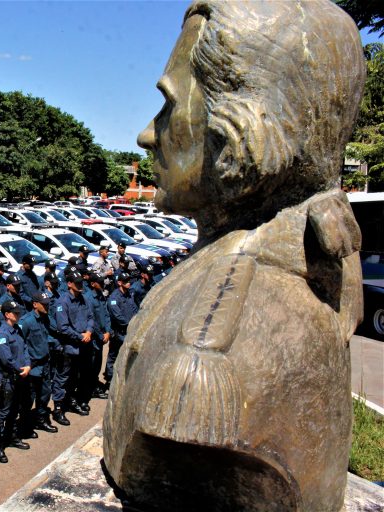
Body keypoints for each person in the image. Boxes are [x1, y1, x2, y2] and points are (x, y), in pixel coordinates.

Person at [102, 2, 365, 507]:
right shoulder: (294, 268)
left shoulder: (206, 357)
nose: (147, 134)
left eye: (169, 105)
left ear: (240, 133)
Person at [0, 300, 32, 463]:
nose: (18, 314)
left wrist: (28, 365)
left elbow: (25, 348)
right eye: (15, 313)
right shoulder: (2, 334)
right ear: (7, 314)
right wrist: (21, 369)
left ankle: (12, 437)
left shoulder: (17, 330)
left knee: (15, 410)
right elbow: (6, 359)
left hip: (20, 376)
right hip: (7, 379)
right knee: (3, 412)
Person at [51, 271, 94, 424]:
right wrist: (81, 336)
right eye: (77, 283)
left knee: (75, 377)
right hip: (69, 347)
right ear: (69, 284)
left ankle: (69, 401)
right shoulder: (62, 302)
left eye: (81, 282)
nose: (80, 285)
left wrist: (89, 331)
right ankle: (57, 409)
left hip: (83, 346)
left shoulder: (84, 298)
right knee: (62, 378)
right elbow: (63, 327)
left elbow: (91, 317)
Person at [18, 291, 59, 435]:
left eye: (48, 304)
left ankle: (40, 420)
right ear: (35, 304)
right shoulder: (26, 321)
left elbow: (49, 334)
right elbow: (20, 343)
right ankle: (24, 425)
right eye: (44, 304)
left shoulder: (46, 318)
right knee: (28, 398)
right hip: (32, 365)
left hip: (45, 362)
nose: (47, 306)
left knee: (44, 394)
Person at [103, 272, 138, 391]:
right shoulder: (114, 298)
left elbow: (134, 309)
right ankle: (109, 379)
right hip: (119, 332)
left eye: (129, 281)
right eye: (126, 281)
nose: (129, 283)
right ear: (119, 283)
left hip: (129, 330)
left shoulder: (129, 294)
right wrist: (130, 323)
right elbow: (117, 316)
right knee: (113, 356)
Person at [84, 273, 110, 402]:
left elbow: (106, 314)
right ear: (93, 284)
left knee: (98, 363)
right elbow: (91, 319)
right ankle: (90, 389)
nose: (102, 284)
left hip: (102, 336)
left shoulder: (101, 295)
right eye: (99, 282)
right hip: (94, 337)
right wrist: (101, 335)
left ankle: (94, 385)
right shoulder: (88, 298)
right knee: (92, 365)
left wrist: (108, 331)